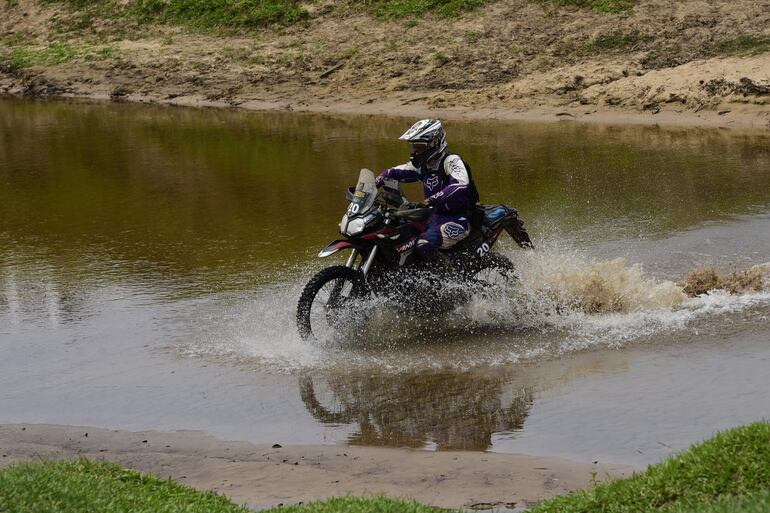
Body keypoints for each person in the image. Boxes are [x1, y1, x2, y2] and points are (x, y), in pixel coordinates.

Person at [375, 119, 479, 262]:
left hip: (458, 219)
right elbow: (391, 173)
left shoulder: (451, 161)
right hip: (432, 217)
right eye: (413, 147)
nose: (415, 152)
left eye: (419, 147)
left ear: (434, 143)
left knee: (423, 244)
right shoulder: (424, 165)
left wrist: (431, 199)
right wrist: (370, 187)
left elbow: (460, 185)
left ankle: (450, 280)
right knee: (399, 234)